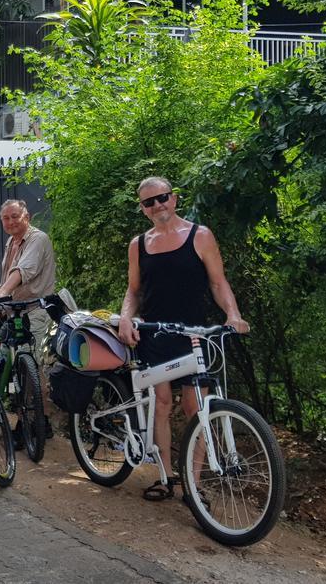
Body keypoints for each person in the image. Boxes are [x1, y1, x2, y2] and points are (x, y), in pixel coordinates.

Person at [116, 176, 250, 502]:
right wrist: (124, 318)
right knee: (161, 404)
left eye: (162, 198)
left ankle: (194, 483)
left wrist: (233, 315)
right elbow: (134, 291)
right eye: (149, 202)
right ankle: (165, 477)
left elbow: (218, 283)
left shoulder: (200, 236)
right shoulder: (139, 245)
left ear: (173, 199)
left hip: (193, 333)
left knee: (195, 406)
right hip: (155, 333)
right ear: (143, 208)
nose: (157, 205)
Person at [0, 199, 57, 362]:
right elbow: (9, 278)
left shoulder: (38, 239)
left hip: (36, 312)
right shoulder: (11, 241)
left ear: (27, 217)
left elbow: (22, 271)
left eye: (15, 216)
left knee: (36, 368)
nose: (10, 222)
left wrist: (2, 292)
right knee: (3, 364)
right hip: (15, 314)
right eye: (6, 218)